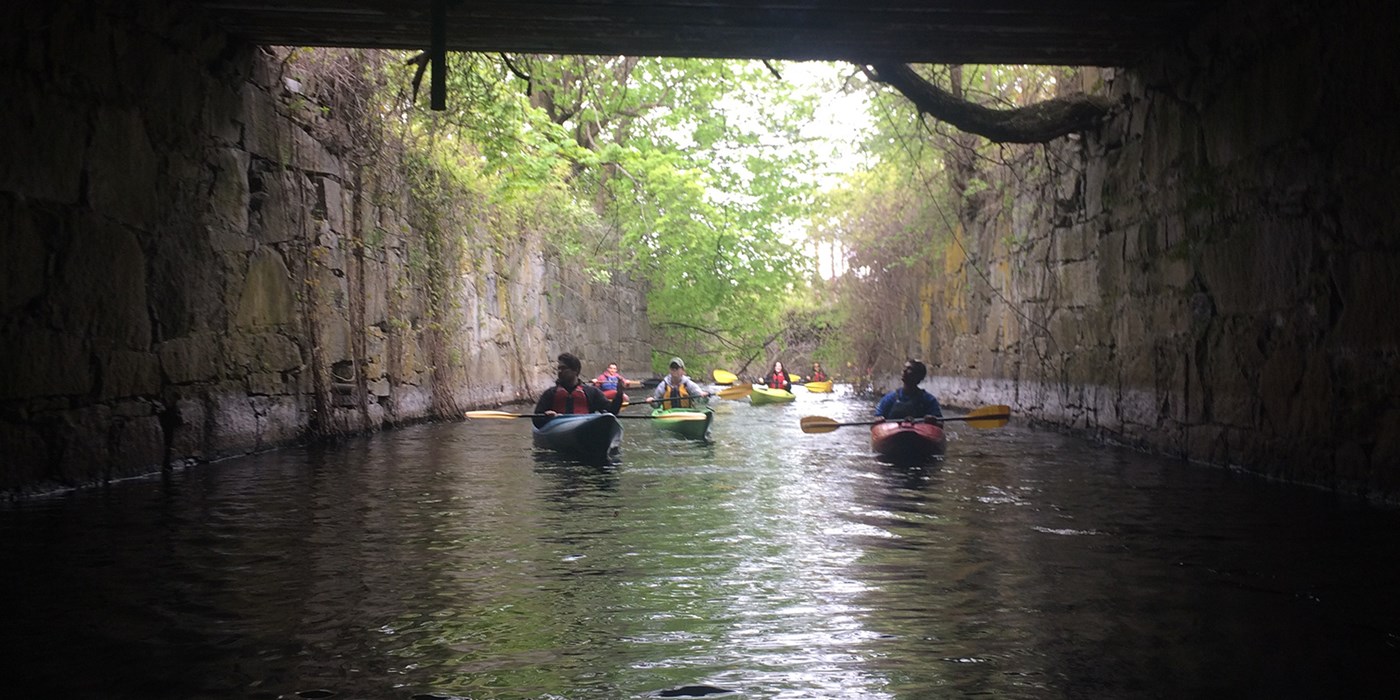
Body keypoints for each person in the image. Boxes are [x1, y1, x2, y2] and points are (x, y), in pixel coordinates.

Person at [534, 352, 619, 427]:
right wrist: (545, 417)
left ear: (576, 370)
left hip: (585, 428)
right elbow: (536, 420)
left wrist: (619, 395)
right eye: (559, 368)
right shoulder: (550, 394)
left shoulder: (592, 393)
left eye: (563, 368)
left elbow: (611, 412)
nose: (560, 371)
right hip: (557, 427)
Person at [874, 359, 944, 421]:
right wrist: (879, 419)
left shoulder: (929, 400)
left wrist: (933, 420)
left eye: (909, 369)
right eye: (904, 368)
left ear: (918, 376)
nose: (904, 371)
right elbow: (878, 416)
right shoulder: (890, 398)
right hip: (894, 434)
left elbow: (939, 422)